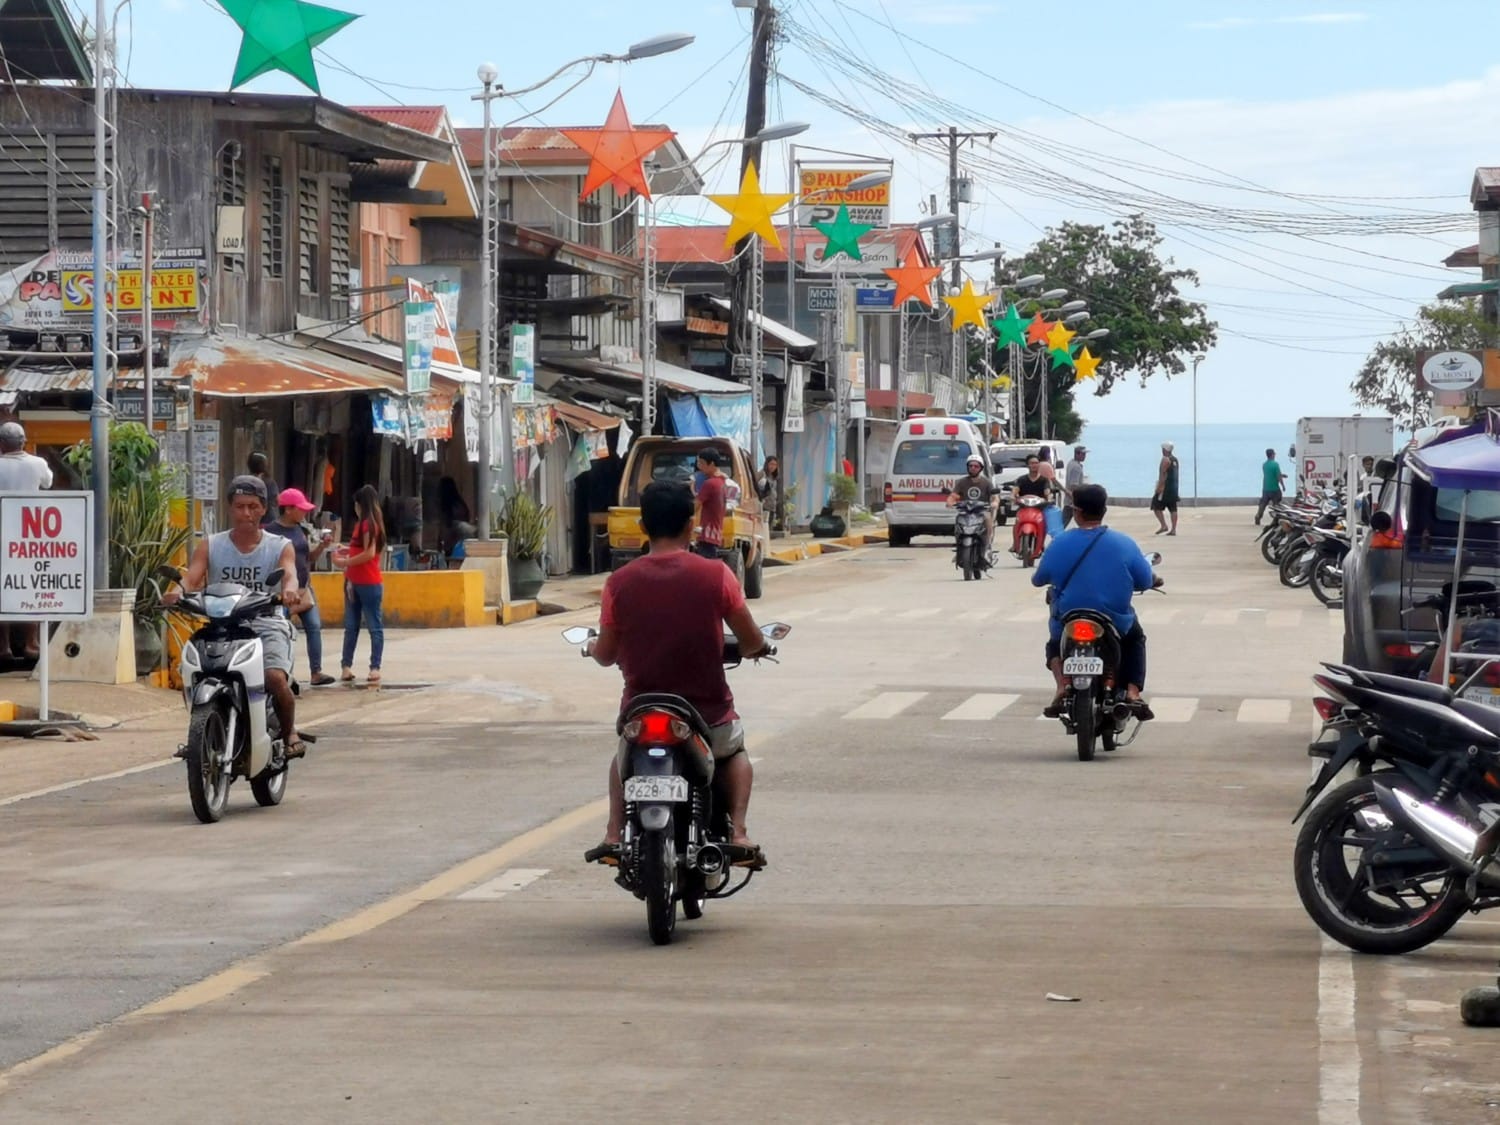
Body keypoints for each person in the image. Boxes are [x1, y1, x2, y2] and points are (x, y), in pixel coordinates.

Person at [583, 480, 772, 864]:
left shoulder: (618, 584)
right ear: (692, 525)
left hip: (640, 711)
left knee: (623, 756)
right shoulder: (717, 575)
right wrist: (760, 647)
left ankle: (614, 833)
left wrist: (590, 648)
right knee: (735, 752)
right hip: (709, 717)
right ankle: (737, 831)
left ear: (642, 527)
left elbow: (605, 654)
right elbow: (750, 639)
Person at [167, 476, 306, 757]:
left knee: (275, 678)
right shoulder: (212, 545)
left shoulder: (279, 545)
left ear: (263, 509)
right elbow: (191, 577)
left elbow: (289, 574)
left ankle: (290, 731)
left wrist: (290, 591)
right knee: (193, 673)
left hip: (265, 623)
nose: (246, 513)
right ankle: (201, 732)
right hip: (222, 625)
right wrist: (175, 592)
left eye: (253, 506)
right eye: (240, 506)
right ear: (230, 508)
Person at [1032, 483, 1159, 720]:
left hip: (1069, 617)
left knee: (1055, 643)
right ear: (1104, 510)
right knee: (1135, 639)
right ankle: (1132, 693)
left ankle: (1061, 687)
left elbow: (1038, 579)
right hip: (1114, 619)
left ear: (1077, 512)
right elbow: (1143, 581)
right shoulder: (1125, 544)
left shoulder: (1059, 543)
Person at [270, 488, 335, 687]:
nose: (304, 513)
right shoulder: (270, 531)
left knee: (314, 627)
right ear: (288, 509)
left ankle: (316, 671)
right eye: (300, 509)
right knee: (283, 632)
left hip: (304, 589)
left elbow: (308, 558)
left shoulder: (302, 530)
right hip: (282, 591)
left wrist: (322, 547)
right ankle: (284, 673)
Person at [0, 422, 53, 658]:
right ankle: (32, 644)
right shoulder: (38, 464)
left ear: (2, 444)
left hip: (3, 535)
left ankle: (4, 647)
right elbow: (48, 483)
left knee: (3, 590)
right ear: (23, 442)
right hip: (31, 537)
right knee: (34, 587)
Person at [334, 484, 386, 687]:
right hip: (354, 581)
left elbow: (369, 553)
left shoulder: (368, 524)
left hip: (368, 582)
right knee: (352, 626)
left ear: (360, 505)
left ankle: (374, 666)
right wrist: (346, 550)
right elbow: (359, 549)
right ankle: (346, 666)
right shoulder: (363, 524)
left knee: (373, 626)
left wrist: (344, 562)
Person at [947, 454, 999, 562]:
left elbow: (994, 497)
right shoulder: (961, 482)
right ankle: (959, 548)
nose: (973, 468)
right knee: (958, 522)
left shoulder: (986, 482)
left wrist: (994, 502)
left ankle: (987, 546)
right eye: (970, 466)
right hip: (966, 511)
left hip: (982, 511)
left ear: (981, 468)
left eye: (976, 466)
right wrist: (950, 502)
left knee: (988, 519)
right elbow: (954, 495)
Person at [1010, 454, 1053, 555]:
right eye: (1032, 463)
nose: (1034, 465)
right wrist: (1013, 496)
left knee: (1045, 523)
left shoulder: (1044, 480)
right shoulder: (1022, 479)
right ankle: (1015, 543)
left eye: (1036, 463)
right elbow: (1015, 490)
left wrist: (1049, 498)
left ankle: (1041, 542)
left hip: (1039, 508)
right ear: (1027, 465)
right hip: (1024, 507)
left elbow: (1047, 492)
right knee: (1016, 523)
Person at [694, 448, 727, 560]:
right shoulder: (722, 482)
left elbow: (694, 507)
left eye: (702, 463)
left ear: (711, 463)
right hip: (715, 533)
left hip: (706, 535)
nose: (699, 466)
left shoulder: (710, 484)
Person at [1151, 441, 1180, 536]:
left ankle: (1164, 525)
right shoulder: (1175, 460)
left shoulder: (1165, 460)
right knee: (1173, 508)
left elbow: (1163, 475)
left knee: (1155, 505)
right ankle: (1173, 529)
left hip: (1165, 489)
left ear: (1164, 450)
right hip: (1174, 488)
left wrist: (1159, 488)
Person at [1255, 448, 1286, 526]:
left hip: (1266, 488)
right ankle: (1276, 519)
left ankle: (1258, 516)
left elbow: (1270, 474)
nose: (1275, 455)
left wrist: (1282, 475)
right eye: (1274, 454)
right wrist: (1283, 485)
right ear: (1272, 455)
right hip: (1274, 488)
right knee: (1277, 504)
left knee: (1263, 504)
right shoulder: (1275, 464)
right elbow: (1278, 476)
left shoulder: (1264, 465)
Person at [247, 452, 279, 528]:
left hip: (250, 520)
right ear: (265, 465)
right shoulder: (270, 482)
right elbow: (277, 501)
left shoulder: (245, 481)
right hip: (268, 521)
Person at [1062, 446, 1088, 528]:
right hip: (1074, 501)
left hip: (1070, 500)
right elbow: (1074, 485)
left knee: (1062, 523)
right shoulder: (1076, 467)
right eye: (1083, 454)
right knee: (1085, 524)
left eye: (1085, 454)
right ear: (1077, 454)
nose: (1084, 456)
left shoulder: (1071, 463)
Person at [757, 456, 782, 530]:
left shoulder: (774, 477)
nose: (773, 466)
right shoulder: (762, 474)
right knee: (763, 528)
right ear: (767, 464)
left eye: (775, 465)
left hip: (772, 506)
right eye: (771, 464)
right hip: (764, 506)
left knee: (769, 528)